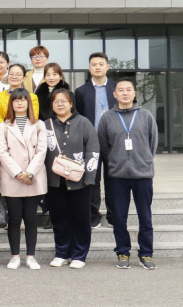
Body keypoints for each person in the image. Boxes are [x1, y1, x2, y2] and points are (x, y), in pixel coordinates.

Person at [97, 79, 158, 270]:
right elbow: (104, 146)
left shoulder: (146, 115)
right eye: (121, 90)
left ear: (134, 93)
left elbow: (152, 143)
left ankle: (146, 254)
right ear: (114, 94)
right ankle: (122, 252)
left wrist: (143, 161)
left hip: (143, 175)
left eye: (128, 90)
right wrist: (115, 163)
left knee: (145, 217)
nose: (125, 93)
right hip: (117, 176)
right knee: (119, 218)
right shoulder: (107, 117)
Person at [44, 88, 100, 269]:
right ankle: (61, 253)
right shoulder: (45, 125)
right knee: (59, 218)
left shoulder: (84, 123)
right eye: (56, 101)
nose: (60, 104)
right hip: (54, 181)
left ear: (71, 103)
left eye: (64, 101)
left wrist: (89, 177)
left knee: (80, 219)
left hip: (80, 181)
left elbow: (93, 150)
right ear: (52, 105)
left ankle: (79, 254)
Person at [0, 88, 48, 270]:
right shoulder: (3, 126)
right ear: (11, 103)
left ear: (29, 103)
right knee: (14, 219)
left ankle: (31, 256)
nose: (19, 103)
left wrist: (29, 173)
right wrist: (19, 173)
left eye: (23, 100)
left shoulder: (39, 124)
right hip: (12, 177)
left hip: (33, 177)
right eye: (16, 100)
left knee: (31, 219)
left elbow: (42, 151)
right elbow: (2, 152)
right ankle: (15, 256)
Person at [74, 52, 116, 229]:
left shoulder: (117, 88)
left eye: (101, 64)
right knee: (92, 179)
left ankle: (114, 216)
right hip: (91, 142)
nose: (97, 67)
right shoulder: (81, 91)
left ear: (107, 67)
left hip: (114, 142)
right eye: (94, 64)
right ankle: (93, 216)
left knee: (113, 179)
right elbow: (78, 117)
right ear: (89, 68)